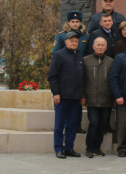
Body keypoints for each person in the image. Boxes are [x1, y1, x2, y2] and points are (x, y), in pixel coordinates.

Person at [48, 31, 85, 159]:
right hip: (62, 97)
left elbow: (82, 78)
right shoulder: (59, 55)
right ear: (66, 42)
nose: (74, 43)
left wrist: (82, 95)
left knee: (72, 124)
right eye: (72, 41)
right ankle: (58, 148)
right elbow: (52, 76)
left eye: (76, 41)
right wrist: (56, 93)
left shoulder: (79, 56)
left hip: (75, 98)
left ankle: (69, 148)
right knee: (59, 124)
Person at [82, 37, 113, 157]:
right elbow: (82, 80)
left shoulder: (110, 61)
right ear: (93, 47)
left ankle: (97, 148)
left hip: (106, 99)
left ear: (106, 47)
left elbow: (113, 81)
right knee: (94, 122)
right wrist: (83, 95)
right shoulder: (86, 60)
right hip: (92, 99)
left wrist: (114, 98)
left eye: (102, 45)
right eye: (98, 45)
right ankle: (89, 148)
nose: (100, 47)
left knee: (102, 124)